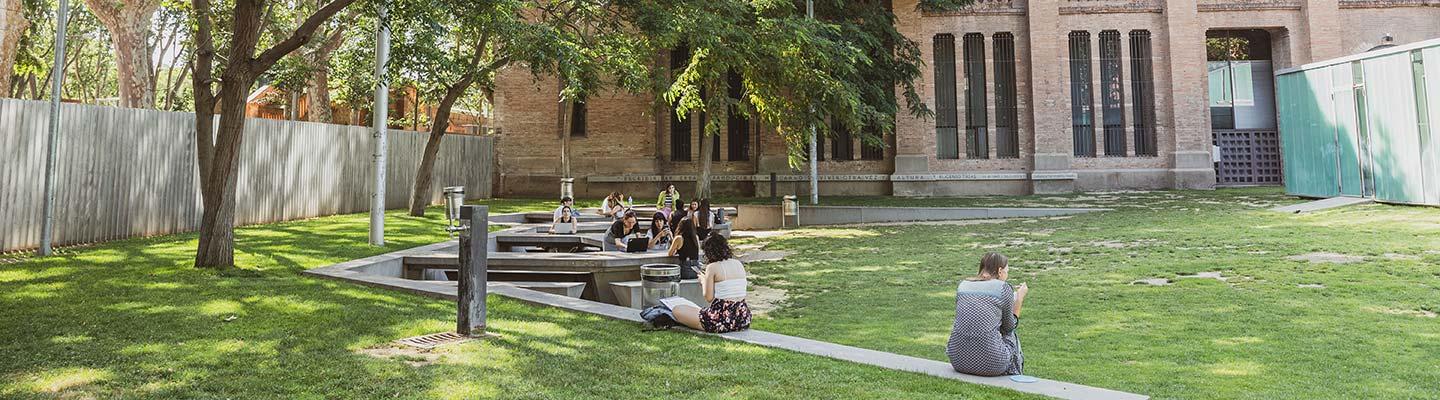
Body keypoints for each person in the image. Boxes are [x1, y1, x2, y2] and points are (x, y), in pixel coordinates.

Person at [946, 252, 1029, 377]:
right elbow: (1009, 327)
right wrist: (1019, 300)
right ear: (1000, 271)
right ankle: (1016, 375)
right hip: (992, 364)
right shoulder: (1003, 287)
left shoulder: (963, 285)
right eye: (1007, 271)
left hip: (958, 360)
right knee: (1010, 335)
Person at [671, 235, 751, 333]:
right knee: (693, 310)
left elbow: (708, 297)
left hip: (720, 319)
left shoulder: (712, 267)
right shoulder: (738, 263)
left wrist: (703, 281)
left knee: (677, 310)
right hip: (742, 317)